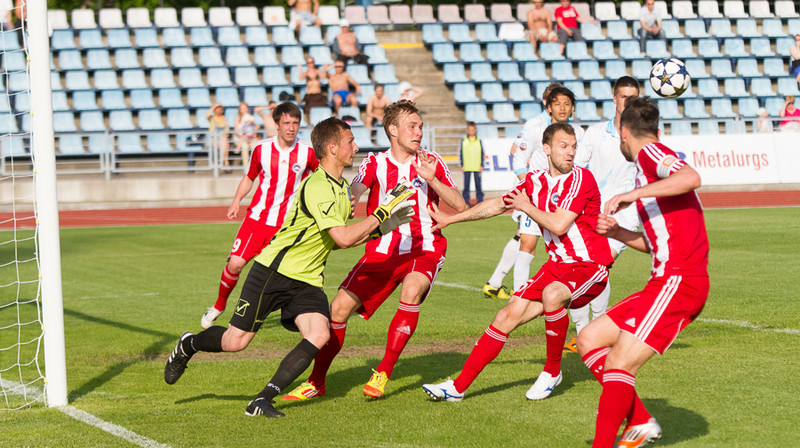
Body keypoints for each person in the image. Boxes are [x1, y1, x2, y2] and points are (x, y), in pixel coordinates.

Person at [165, 116, 417, 418]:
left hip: (307, 281)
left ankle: (262, 400)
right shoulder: (318, 186)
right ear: (333, 148)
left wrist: (382, 226)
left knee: (319, 333)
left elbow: (335, 242)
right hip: (273, 272)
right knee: (236, 341)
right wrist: (381, 214)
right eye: (350, 141)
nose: (356, 146)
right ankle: (188, 344)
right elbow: (343, 238)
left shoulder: (340, 190)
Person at [281, 100, 467, 401]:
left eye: (420, 126)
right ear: (393, 130)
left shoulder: (431, 161)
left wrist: (431, 178)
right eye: (412, 126)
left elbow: (459, 205)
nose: (419, 132)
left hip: (425, 247)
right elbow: (351, 195)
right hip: (383, 249)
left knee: (412, 291)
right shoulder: (374, 163)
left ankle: (383, 371)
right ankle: (317, 382)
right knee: (338, 309)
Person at [422, 122, 613, 402]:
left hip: (590, 266)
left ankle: (552, 371)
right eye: (563, 146)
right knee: (505, 316)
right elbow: (498, 204)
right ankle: (457, 388)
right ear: (546, 149)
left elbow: (559, 225)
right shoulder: (534, 181)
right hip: (558, 267)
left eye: (573, 147)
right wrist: (451, 219)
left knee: (552, 294)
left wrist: (526, 206)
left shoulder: (582, 179)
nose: (570, 152)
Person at [577, 96, 709, 447]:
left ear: (623, 132)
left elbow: (692, 176)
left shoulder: (650, 155)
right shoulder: (648, 171)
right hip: (665, 279)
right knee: (589, 339)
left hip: (680, 280)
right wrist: (618, 232)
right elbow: (657, 245)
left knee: (619, 362)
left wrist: (632, 194)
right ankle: (639, 421)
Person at [199, 103, 319, 329]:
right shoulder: (261, 149)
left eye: (295, 123)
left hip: (285, 226)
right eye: (286, 123)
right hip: (257, 219)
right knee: (235, 264)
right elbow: (249, 177)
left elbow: (320, 177)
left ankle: (292, 313)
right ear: (276, 124)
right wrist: (236, 201)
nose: (291, 128)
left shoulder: (307, 152)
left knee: (284, 272)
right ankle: (218, 305)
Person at [483, 84, 583, 301]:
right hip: (535, 194)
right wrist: (529, 184)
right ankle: (517, 297)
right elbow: (515, 152)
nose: (561, 107)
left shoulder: (576, 132)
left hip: (562, 197)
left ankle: (496, 283)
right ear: (548, 105)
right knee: (527, 243)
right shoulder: (535, 126)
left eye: (566, 103)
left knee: (560, 246)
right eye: (556, 103)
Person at [567, 76, 641, 352]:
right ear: (614, 99)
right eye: (624, 97)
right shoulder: (596, 133)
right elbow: (579, 168)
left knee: (599, 263)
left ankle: (595, 331)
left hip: (625, 215)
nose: (629, 102)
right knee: (582, 267)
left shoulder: (642, 134)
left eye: (634, 98)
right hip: (591, 211)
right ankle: (585, 333)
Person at [460, 121, 484, 205]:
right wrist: (462, 165)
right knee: (466, 185)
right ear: (467, 130)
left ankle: (480, 200)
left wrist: (481, 164)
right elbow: (461, 153)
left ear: (475, 130)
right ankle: (465, 201)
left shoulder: (479, 140)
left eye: (472, 130)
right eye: (469, 130)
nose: (471, 132)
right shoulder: (464, 140)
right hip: (467, 166)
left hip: (477, 166)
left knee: (478, 185)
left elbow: (482, 153)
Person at [233, 102, 259, 169]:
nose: (243, 110)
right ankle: (246, 167)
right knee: (244, 146)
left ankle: (256, 166)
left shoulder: (251, 118)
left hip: (250, 137)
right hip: (240, 138)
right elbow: (236, 131)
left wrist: (252, 124)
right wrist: (242, 136)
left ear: (247, 109)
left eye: (245, 108)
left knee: (255, 146)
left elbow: (255, 128)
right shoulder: (238, 118)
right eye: (242, 109)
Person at [206, 103, 231, 170]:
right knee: (226, 144)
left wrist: (225, 134)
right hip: (214, 139)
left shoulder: (225, 119)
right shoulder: (212, 118)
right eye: (216, 109)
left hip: (222, 139)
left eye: (219, 109)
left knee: (225, 142)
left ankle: (222, 160)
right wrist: (214, 105)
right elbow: (207, 115)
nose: (218, 111)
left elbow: (227, 131)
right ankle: (225, 162)